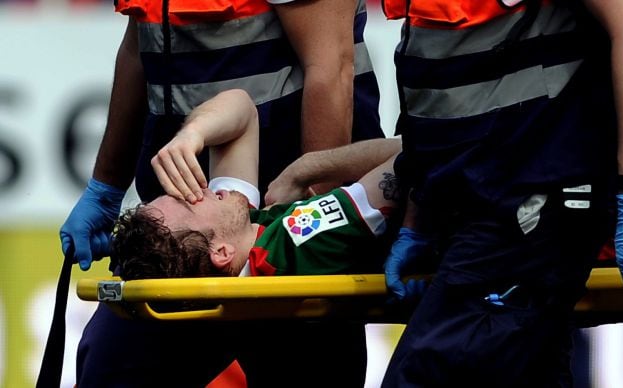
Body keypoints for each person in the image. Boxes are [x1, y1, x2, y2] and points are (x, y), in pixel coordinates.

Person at [60, 0, 384, 385]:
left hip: (277, 205)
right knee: (113, 369)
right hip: (199, 208)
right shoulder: (208, 205)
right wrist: (106, 186)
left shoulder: (280, 233)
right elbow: (139, 44)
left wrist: (313, 217)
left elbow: (331, 67)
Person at [379, 1, 623, 386]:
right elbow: (434, 88)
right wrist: (418, 217)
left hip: (530, 205)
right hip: (477, 208)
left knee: (424, 376)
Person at [111, 89, 404, 284]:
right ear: (221, 252)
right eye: (188, 200)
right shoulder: (296, 245)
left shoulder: (242, 247)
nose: (199, 188)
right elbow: (415, 155)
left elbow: (240, 106)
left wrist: (193, 134)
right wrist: (304, 170)